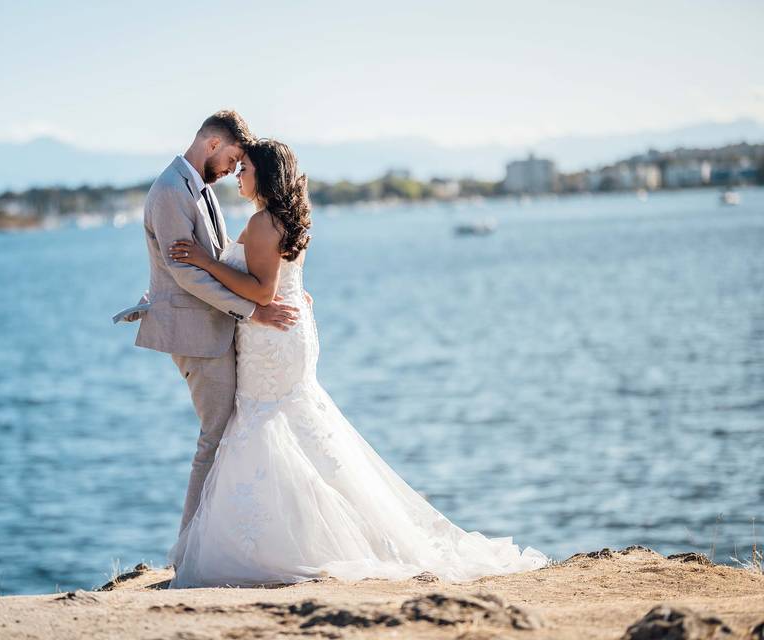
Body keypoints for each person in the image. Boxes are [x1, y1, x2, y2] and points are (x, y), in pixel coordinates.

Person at [164, 138, 550, 588]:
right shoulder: (276, 219)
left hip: (271, 337)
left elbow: (262, 292)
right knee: (293, 424)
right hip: (284, 334)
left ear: (265, 174)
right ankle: (303, 533)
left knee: (269, 424)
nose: (238, 174)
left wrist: (204, 261)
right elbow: (281, 281)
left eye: (245, 167)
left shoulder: (264, 222)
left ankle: (286, 546)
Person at [120, 111, 303, 534]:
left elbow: (220, 258)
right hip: (197, 334)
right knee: (215, 438)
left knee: (229, 435)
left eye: (243, 166)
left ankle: (229, 536)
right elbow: (184, 271)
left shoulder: (200, 188)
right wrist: (254, 310)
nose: (233, 170)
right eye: (233, 159)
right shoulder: (170, 191)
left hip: (218, 329)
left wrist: (286, 288)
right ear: (214, 145)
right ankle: (192, 546)